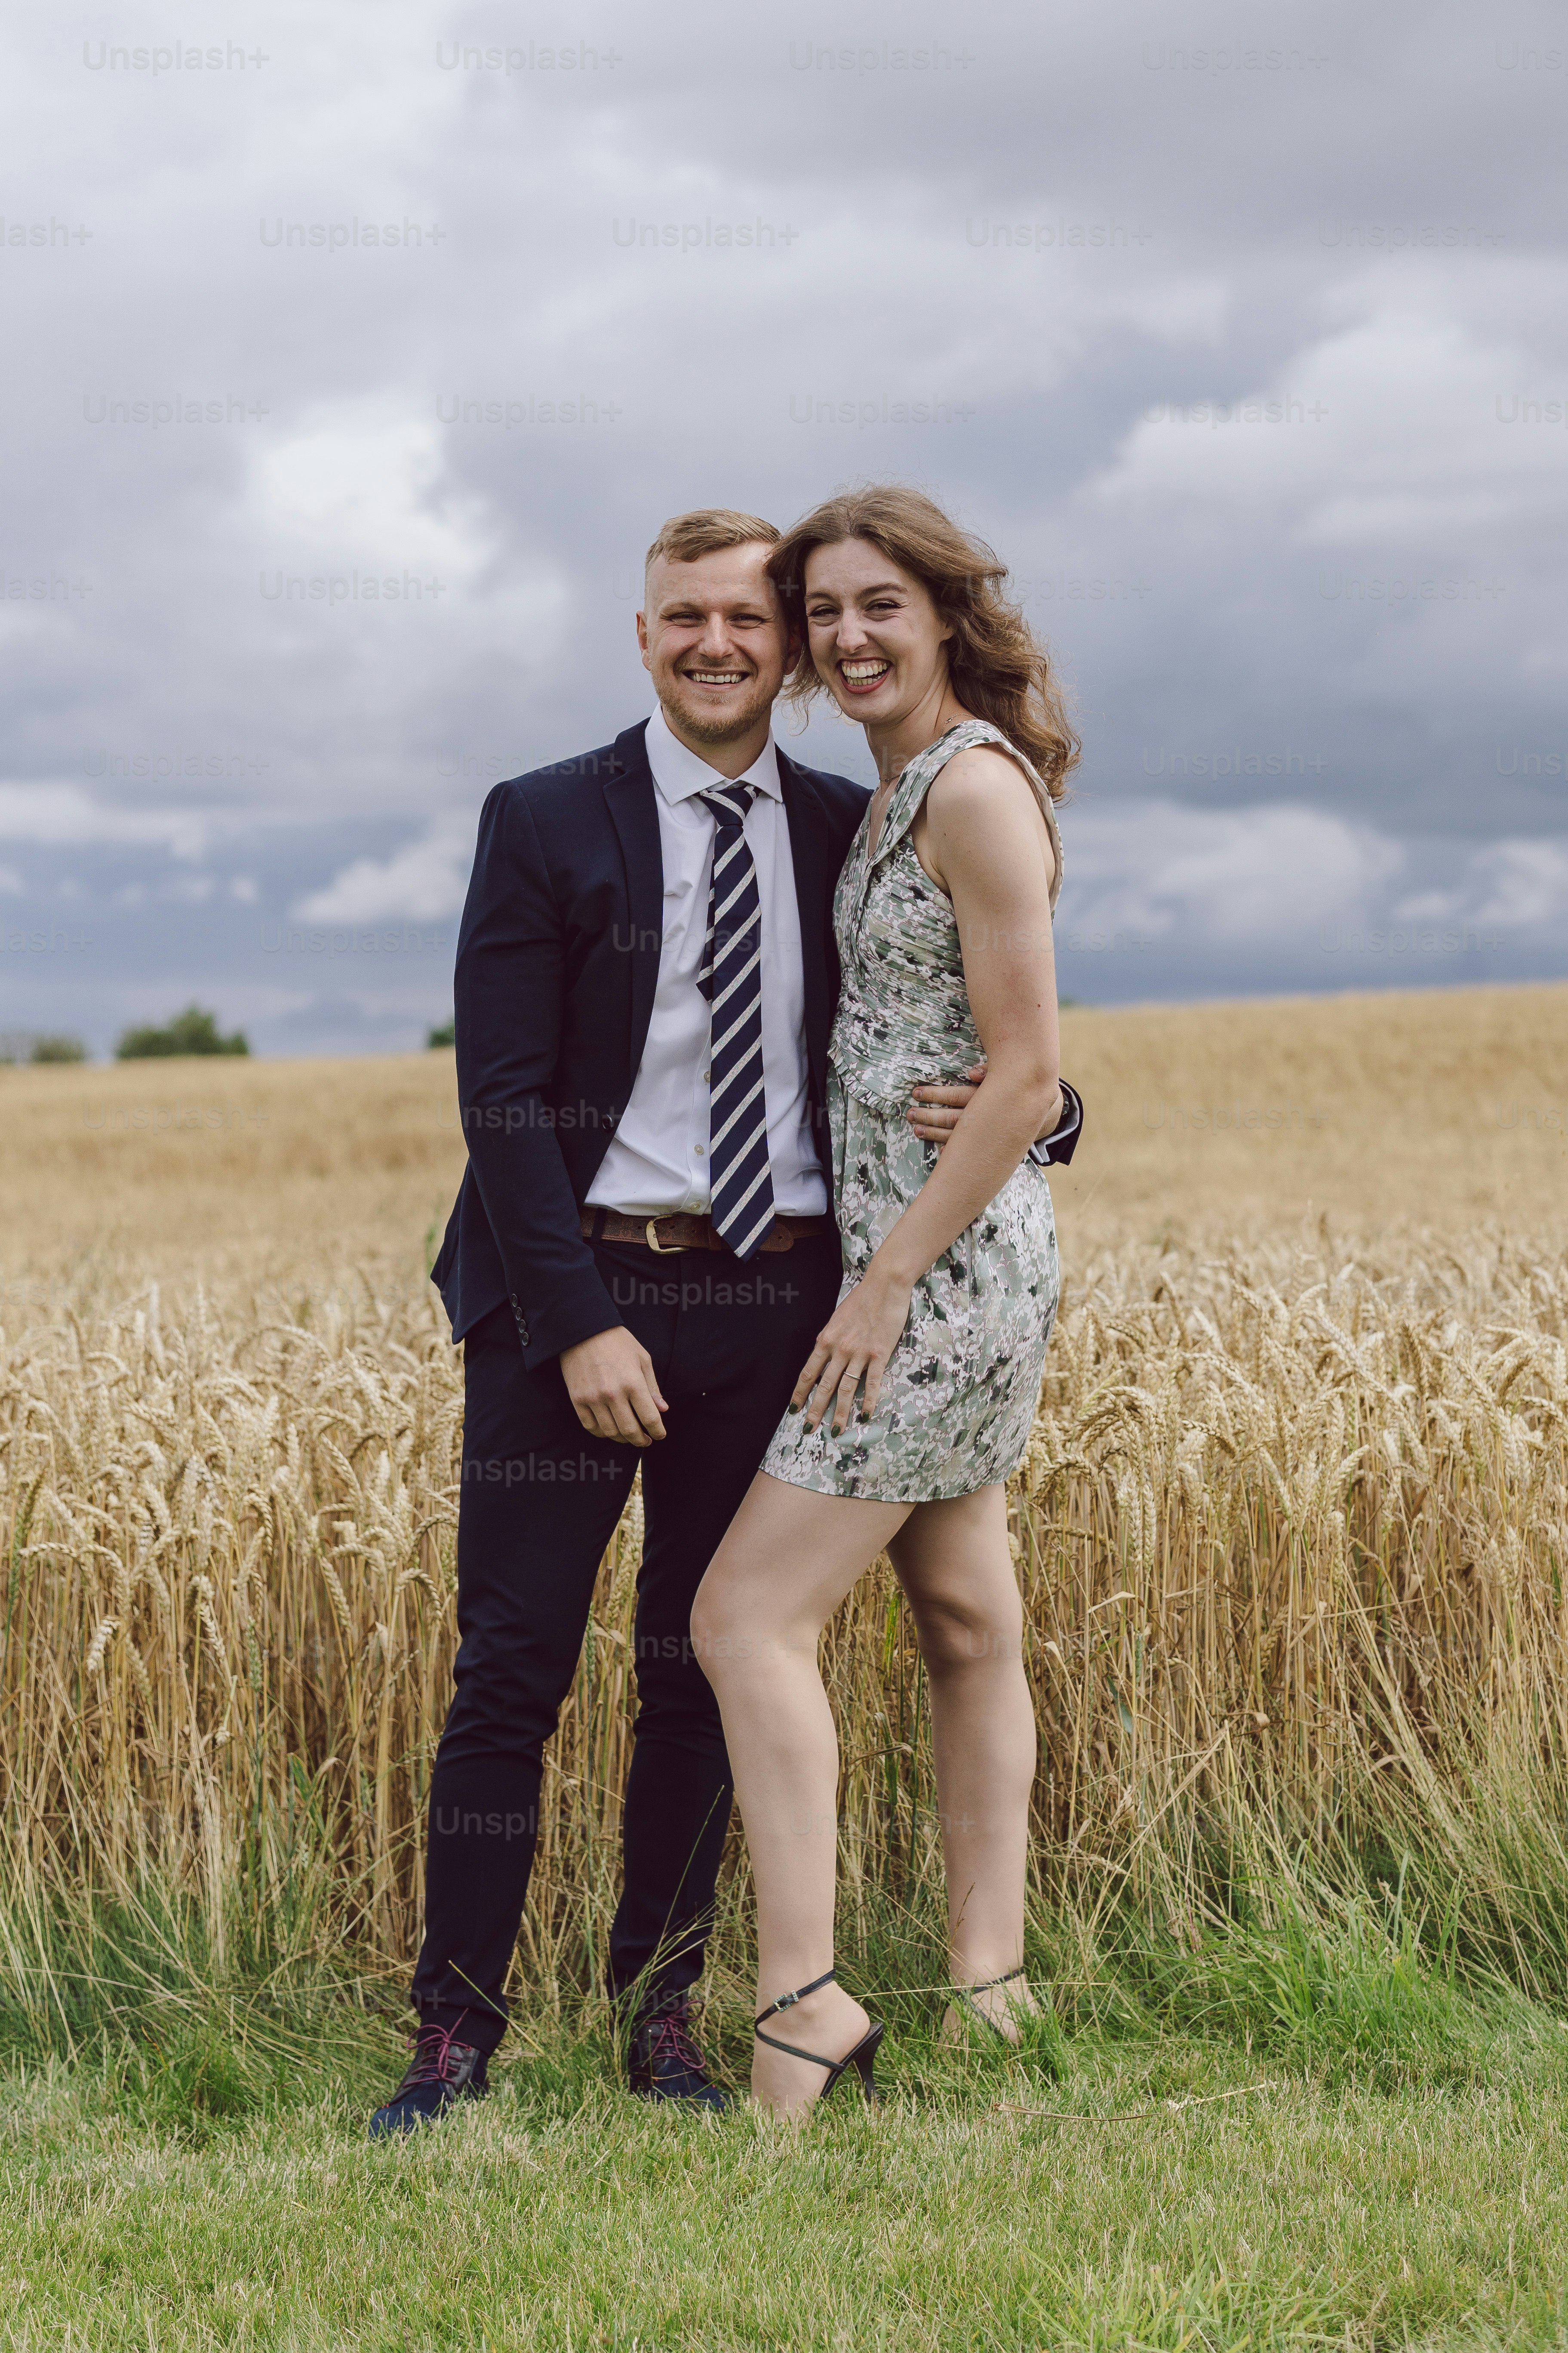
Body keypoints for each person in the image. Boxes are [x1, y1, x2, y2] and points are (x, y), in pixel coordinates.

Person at [368, 508, 1082, 2133]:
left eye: (751, 620)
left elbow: (964, 1017)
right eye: (685, 617)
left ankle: (662, 2024)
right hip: (573, 1292)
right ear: (643, 637)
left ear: (787, 652)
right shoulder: (546, 817)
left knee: (696, 1666)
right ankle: (453, 2038)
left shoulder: (850, 820)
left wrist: (1047, 1109)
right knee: (513, 1670)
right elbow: (503, 1095)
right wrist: (576, 1324)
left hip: (776, 1296)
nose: (719, 644)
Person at [691, 487, 1077, 2116]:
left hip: (937, 1277)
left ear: (944, 617)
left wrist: (885, 1284)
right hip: (930, 1254)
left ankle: (803, 2006)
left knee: (742, 1617)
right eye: (824, 612)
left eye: (880, 607)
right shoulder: (896, 791)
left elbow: (1031, 1071)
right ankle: (991, 1989)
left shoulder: (970, 788)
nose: (848, 638)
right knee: (968, 1620)